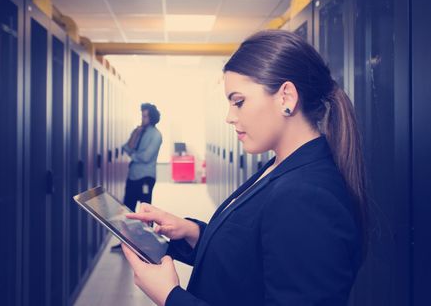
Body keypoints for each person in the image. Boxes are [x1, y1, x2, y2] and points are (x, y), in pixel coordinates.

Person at [121, 30, 367, 306]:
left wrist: (171, 297)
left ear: (286, 97)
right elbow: (252, 258)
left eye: (239, 102)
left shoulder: (305, 194)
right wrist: (191, 232)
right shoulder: (280, 166)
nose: (229, 116)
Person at [110, 103, 162, 252]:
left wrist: (132, 154)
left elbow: (146, 157)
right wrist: (134, 136)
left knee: (145, 212)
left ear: (151, 118)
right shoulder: (139, 131)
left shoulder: (156, 135)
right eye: (142, 115)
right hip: (132, 176)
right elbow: (126, 147)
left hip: (145, 178)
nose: (142, 118)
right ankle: (126, 243)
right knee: (127, 211)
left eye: (145, 116)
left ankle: (147, 244)